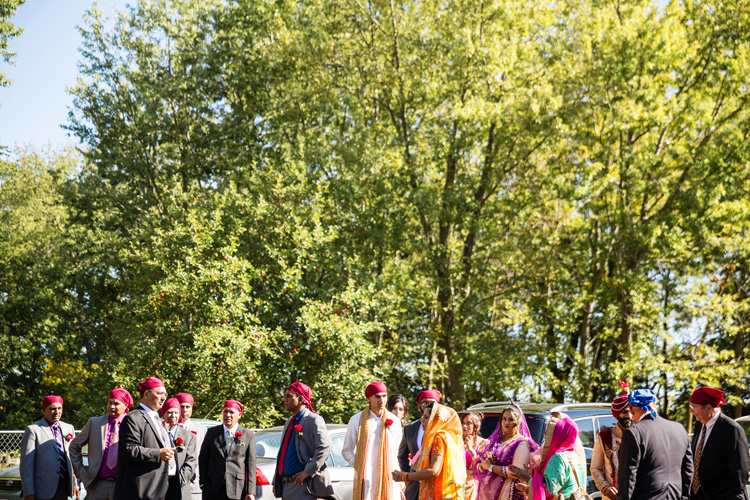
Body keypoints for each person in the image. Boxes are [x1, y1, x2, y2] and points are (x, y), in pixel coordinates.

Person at [617, 389, 692, 500]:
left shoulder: (634, 432)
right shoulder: (679, 428)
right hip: (676, 496)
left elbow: (628, 476)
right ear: (654, 405)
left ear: (632, 411)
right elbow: (688, 470)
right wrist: (685, 497)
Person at [273, 382, 334, 500]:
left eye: (289, 396)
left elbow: (325, 446)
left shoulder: (314, 420)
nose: (284, 399)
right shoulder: (289, 421)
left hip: (302, 486)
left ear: (300, 399)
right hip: (286, 486)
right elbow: (283, 452)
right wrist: (277, 479)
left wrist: (308, 471)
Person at [113, 377, 172, 500]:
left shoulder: (158, 420)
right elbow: (129, 449)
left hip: (158, 489)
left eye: (165, 394)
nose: (163, 398)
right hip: (140, 491)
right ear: (146, 393)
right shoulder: (133, 418)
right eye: (159, 393)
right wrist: (158, 453)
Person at [392, 402, 466, 500]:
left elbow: (433, 471)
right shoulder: (444, 437)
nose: (422, 420)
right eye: (423, 416)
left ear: (436, 421)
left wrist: (405, 476)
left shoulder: (439, 439)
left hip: (437, 493)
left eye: (426, 418)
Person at [343, 381, 403, 500]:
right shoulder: (356, 420)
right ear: (368, 398)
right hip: (365, 478)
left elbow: (397, 452)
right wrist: (359, 464)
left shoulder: (394, 421)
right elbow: (346, 450)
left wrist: (400, 477)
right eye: (377, 396)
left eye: (384, 396)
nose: (382, 400)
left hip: (389, 478)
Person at [70, 388, 133, 500]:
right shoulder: (95, 423)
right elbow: (74, 446)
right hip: (97, 486)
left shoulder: (132, 424)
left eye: (116, 404)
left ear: (125, 406)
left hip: (123, 486)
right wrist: (80, 471)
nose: (112, 406)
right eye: (110, 402)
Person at [688, 386, 750, 500]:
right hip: (696, 495)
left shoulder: (732, 429)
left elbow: (740, 472)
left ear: (709, 408)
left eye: (694, 406)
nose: (691, 410)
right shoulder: (699, 423)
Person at [20, 395, 80, 500]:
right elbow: (26, 466)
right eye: (52, 409)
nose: (57, 412)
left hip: (63, 486)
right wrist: (28, 492)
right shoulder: (33, 430)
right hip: (43, 488)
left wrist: (75, 484)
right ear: (44, 411)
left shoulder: (69, 428)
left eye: (59, 408)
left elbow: (72, 458)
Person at [474, 405, 536, 500]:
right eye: (504, 419)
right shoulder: (494, 440)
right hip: (487, 492)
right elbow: (479, 465)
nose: (507, 422)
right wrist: (484, 465)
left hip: (509, 492)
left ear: (518, 421)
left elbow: (516, 472)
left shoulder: (522, 443)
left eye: (511, 419)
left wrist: (491, 467)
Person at [198, 400, 256, 500]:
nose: (228, 415)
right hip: (212, 489)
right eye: (225, 411)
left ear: (239, 415)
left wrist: (251, 491)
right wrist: (203, 483)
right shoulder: (212, 433)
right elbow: (203, 458)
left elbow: (251, 465)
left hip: (237, 489)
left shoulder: (247, 435)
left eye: (231, 412)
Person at [530, 414, 585, 500]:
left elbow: (550, 491)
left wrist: (526, 478)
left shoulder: (558, 458)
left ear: (558, 435)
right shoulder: (573, 455)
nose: (545, 435)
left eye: (550, 432)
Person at [398, 390, 441, 500]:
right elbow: (402, 456)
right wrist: (410, 475)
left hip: (436, 486)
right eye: (425, 402)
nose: (428, 405)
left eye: (432, 403)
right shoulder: (410, 428)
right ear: (419, 406)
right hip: (414, 488)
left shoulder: (443, 430)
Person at [591, 390, 632, 500]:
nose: (629, 416)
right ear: (617, 414)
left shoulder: (642, 435)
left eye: (631, 412)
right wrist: (605, 488)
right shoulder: (604, 437)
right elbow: (595, 468)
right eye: (625, 412)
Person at [162, 397, 197, 500]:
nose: (173, 416)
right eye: (169, 412)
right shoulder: (156, 432)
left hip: (181, 488)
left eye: (176, 413)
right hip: (158, 487)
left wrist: (177, 482)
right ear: (163, 414)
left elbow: (191, 462)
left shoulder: (188, 436)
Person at [175, 392, 204, 497]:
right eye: (182, 406)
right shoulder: (167, 428)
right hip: (172, 483)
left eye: (188, 407)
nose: (185, 410)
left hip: (194, 486)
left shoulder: (201, 430)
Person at [461, 413, 488, 500]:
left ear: (477, 426)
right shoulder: (457, 442)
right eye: (463, 423)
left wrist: (471, 451)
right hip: (457, 485)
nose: (464, 426)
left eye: (468, 423)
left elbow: (484, 466)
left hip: (475, 486)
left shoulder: (484, 443)